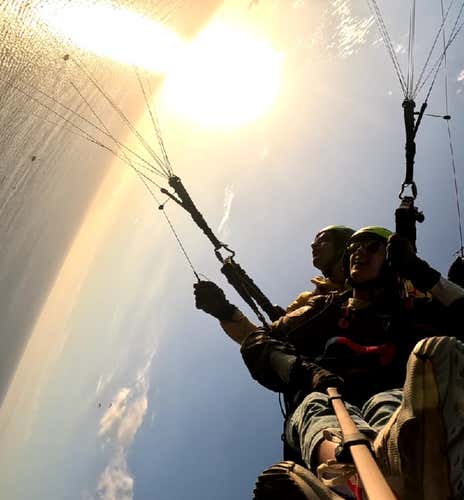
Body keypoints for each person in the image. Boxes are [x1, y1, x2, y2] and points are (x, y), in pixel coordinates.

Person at [241, 227, 464, 499]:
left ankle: (398, 462)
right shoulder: (323, 308)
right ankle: (348, 475)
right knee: (315, 407)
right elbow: (259, 340)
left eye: (371, 247)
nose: (358, 252)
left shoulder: (412, 310)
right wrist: (298, 369)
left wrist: (423, 273)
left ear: (391, 260)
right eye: (353, 248)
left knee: (412, 378)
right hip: (327, 393)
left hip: (396, 399)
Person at [194, 226, 354, 345]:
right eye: (314, 241)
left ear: (345, 247)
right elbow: (268, 342)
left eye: (324, 240)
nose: (313, 245)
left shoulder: (362, 289)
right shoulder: (308, 299)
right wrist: (225, 312)